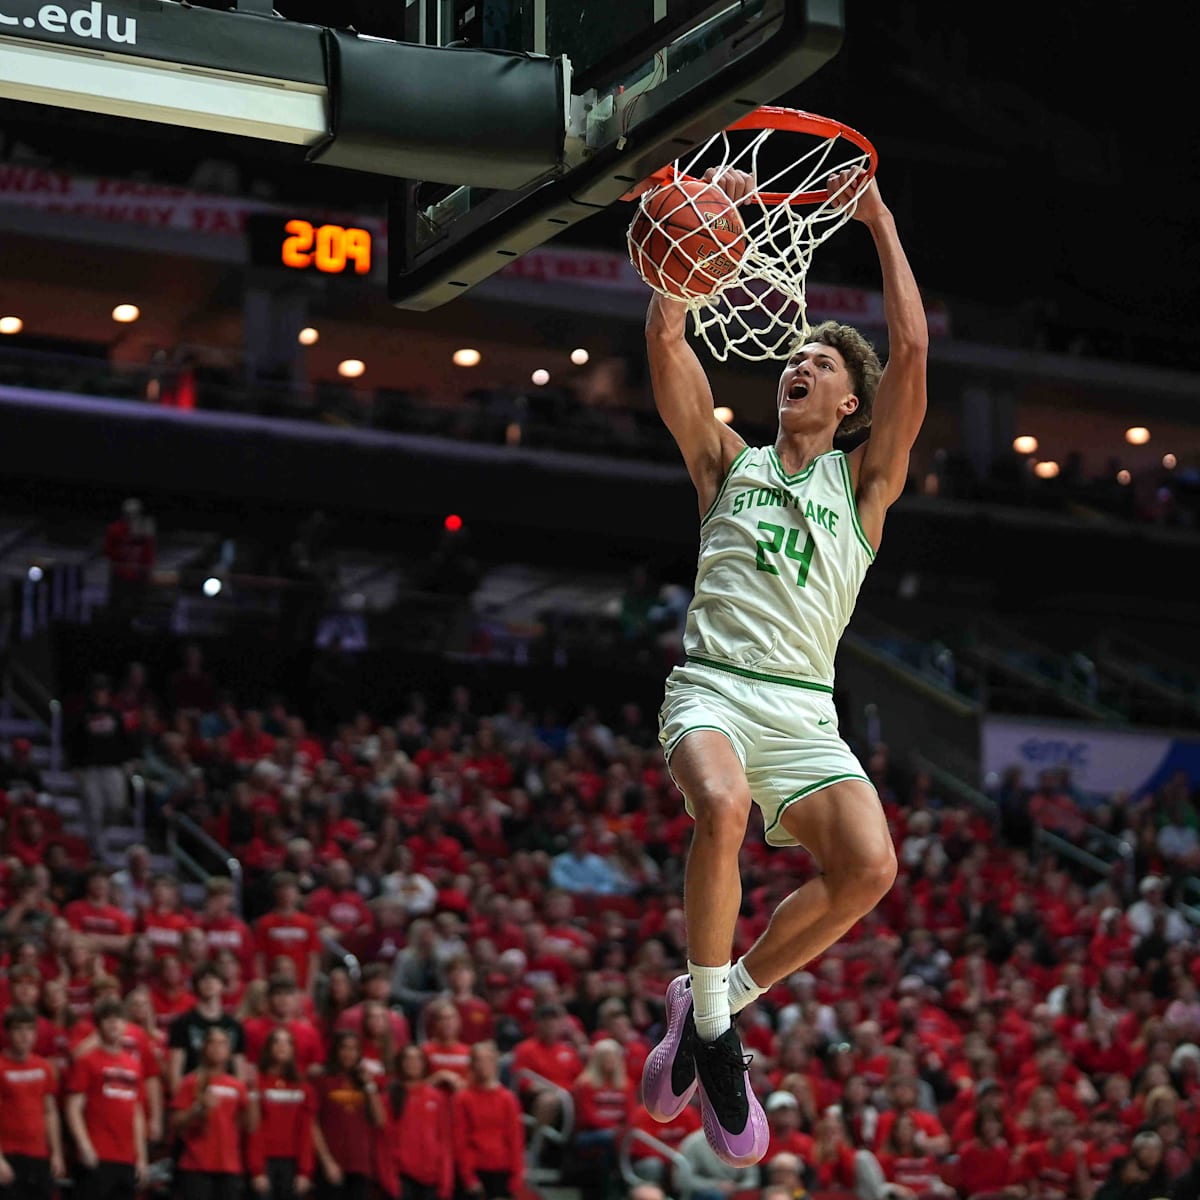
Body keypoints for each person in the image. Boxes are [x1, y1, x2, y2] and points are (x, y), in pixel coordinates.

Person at [641, 163, 923, 1165]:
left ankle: (711, 999)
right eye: (794, 354)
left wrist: (880, 222)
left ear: (851, 402)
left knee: (871, 868)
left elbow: (916, 348)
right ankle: (717, 1037)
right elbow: (669, 340)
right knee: (718, 810)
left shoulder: (867, 486)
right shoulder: (728, 461)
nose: (800, 362)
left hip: (805, 712)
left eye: (822, 361)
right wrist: (690, 236)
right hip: (715, 686)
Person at [64, 998, 148, 1200]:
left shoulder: (134, 1064)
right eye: (107, 1019)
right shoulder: (87, 1061)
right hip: (97, 1154)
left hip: (126, 1157)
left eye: (118, 1019)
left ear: (125, 1025)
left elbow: (136, 1112)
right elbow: (73, 1106)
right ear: (98, 1025)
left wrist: (141, 1157)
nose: (113, 1024)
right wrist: (84, 1146)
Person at [170, 1027, 253, 1200]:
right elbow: (175, 1123)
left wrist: (254, 1093)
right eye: (212, 1043)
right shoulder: (191, 1082)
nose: (217, 1048)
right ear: (204, 1048)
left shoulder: (238, 1086)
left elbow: (250, 1125)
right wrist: (197, 1109)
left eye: (222, 1043)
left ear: (229, 1051)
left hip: (229, 1166)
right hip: (196, 1166)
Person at [0, 1007, 66, 1200]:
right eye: (19, 1030)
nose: (24, 1036)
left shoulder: (43, 1066)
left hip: (39, 1154)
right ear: (8, 1033)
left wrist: (56, 1153)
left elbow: (50, 1112)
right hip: (9, 1154)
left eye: (29, 1030)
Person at [246, 1028, 317, 1199]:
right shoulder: (257, 1083)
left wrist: (305, 1171)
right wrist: (257, 1169)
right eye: (276, 1041)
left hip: (293, 1163)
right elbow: (253, 1128)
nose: (281, 1046)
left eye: (287, 1042)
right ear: (268, 1048)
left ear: (293, 1049)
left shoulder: (303, 1087)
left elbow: (306, 1131)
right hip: (264, 1162)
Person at [451, 1042, 524, 1200]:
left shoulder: (508, 1099)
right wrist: (468, 1176)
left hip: (501, 1169)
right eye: (479, 1060)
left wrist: (517, 1175)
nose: (484, 1065)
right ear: (472, 1064)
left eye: (488, 1060)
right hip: (474, 1169)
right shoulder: (463, 1098)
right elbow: (459, 1140)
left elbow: (515, 1138)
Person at [389, 1045, 454, 1200]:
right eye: (407, 1059)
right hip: (402, 1177)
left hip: (431, 1177)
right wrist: (390, 1179)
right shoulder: (390, 1097)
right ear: (400, 1063)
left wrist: (446, 1181)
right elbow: (385, 1141)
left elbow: (445, 1140)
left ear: (424, 1064)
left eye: (417, 1059)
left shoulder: (437, 1098)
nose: (412, 1063)